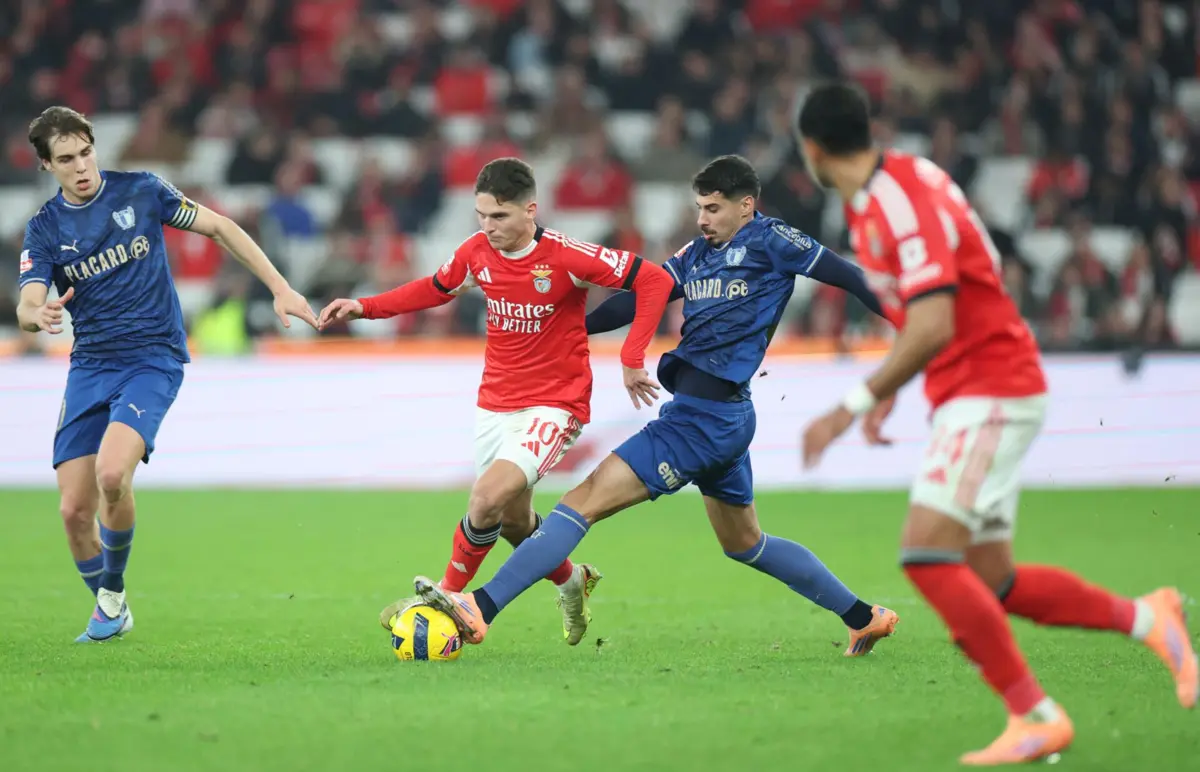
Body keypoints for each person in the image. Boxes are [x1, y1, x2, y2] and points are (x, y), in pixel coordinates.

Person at [795, 82, 1197, 765]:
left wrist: (851, 406)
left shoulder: (894, 202)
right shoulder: (898, 188)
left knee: (926, 554)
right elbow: (958, 291)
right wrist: (900, 383)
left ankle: (1034, 713)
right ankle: (1149, 617)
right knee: (994, 580)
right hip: (976, 386)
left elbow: (936, 320)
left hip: (991, 388)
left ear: (812, 148)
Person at [411, 154, 900, 657]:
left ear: (746, 205)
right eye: (698, 208)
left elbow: (851, 276)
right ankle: (865, 617)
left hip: (702, 423)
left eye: (712, 208)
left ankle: (480, 607)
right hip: (718, 416)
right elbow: (642, 294)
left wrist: (910, 320)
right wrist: (567, 326)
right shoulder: (697, 253)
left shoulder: (774, 240)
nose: (702, 218)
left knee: (580, 504)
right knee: (745, 543)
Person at [320, 157, 674, 645]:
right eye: (482, 216)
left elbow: (654, 280)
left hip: (556, 404)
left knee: (484, 499)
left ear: (531, 209)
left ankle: (443, 599)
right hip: (495, 404)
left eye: (499, 217)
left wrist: (633, 357)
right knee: (512, 521)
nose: (488, 227)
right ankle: (573, 581)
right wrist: (365, 306)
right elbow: (435, 289)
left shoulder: (567, 256)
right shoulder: (476, 252)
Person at [15, 106, 318, 642]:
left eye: (86, 152)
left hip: (152, 358)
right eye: (66, 159)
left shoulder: (141, 191)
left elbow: (220, 227)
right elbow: (28, 300)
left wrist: (279, 287)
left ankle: (109, 599)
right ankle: (114, 604)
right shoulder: (44, 229)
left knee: (113, 474)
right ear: (46, 166)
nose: (82, 166)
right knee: (72, 511)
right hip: (89, 365)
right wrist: (36, 315)